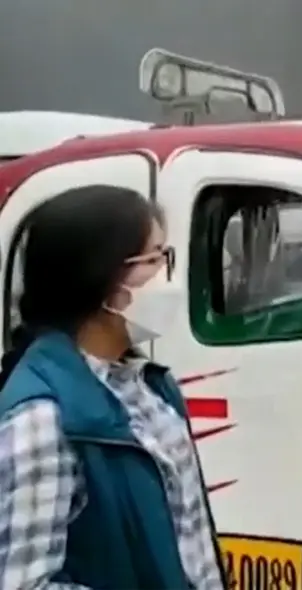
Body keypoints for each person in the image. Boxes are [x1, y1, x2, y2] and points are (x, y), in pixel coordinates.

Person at [0, 186, 225, 589]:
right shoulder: (42, 417)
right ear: (101, 277)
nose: (168, 275)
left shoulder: (152, 387)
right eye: (155, 259)